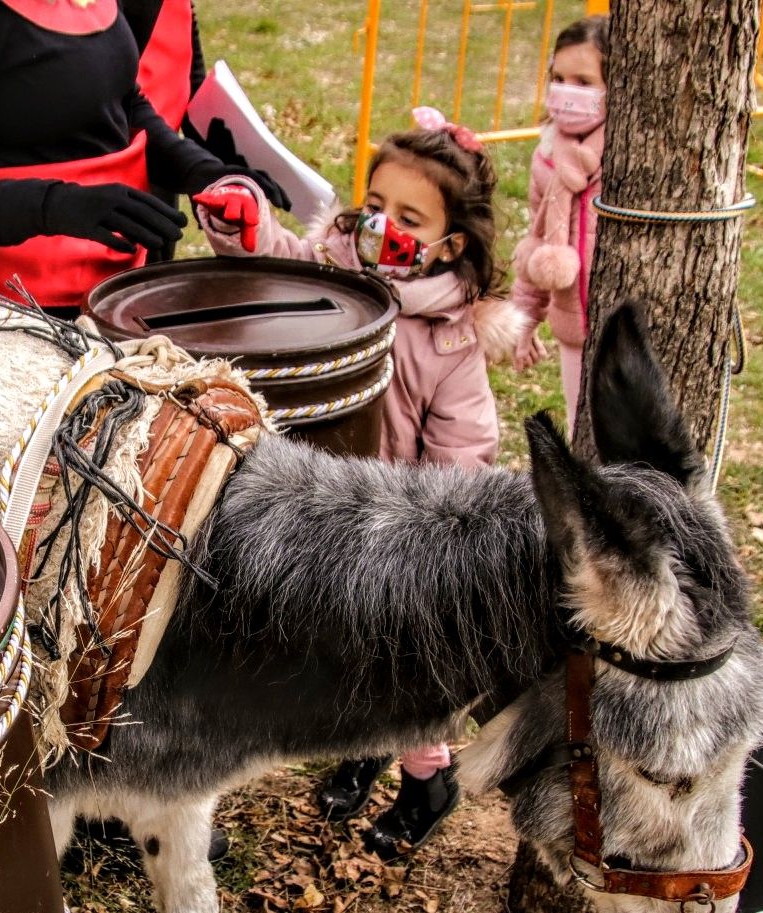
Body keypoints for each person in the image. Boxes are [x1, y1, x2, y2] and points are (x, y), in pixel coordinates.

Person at [193, 110, 525, 861]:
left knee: (406, 670)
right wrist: (244, 231)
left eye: (409, 218)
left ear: (452, 244)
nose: (383, 227)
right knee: (345, 656)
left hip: (399, 533)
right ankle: (363, 746)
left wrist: (430, 537)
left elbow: (465, 452)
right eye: (376, 206)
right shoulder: (343, 268)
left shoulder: (452, 340)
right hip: (326, 506)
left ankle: (426, 783)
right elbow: (285, 262)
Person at [0, 0, 286, 315]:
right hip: (5, 312)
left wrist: (208, 175)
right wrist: (58, 206)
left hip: (118, 295)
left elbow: (124, 105)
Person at [510, 15, 609, 433]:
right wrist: (526, 320)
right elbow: (538, 237)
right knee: (580, 428)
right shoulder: (547, 155)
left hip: (617, 320)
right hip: (572, 326)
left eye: (584, 83)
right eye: (559, 78)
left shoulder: (622, 156)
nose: (568, 93)